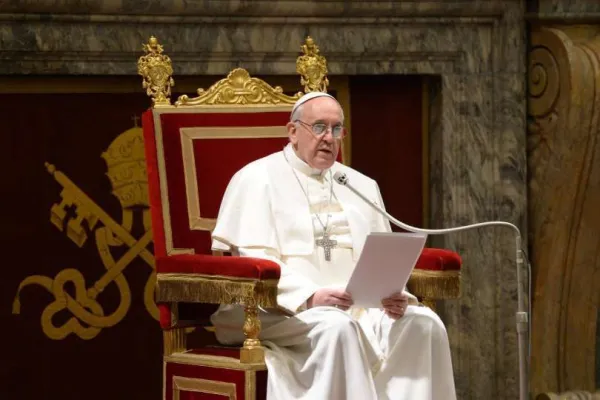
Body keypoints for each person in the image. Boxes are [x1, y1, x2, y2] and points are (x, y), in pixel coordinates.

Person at [210, 91, 457, 400]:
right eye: (319, 127)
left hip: (355, 307)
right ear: (293, 131)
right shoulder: (256, 178)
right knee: (338, 329)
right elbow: (252, 261)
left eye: (336, 129)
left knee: (423, 323)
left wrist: (393, 294)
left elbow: (378, 255)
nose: (328, 138)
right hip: (276, 310)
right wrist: (310, 296)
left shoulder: (358, 184)